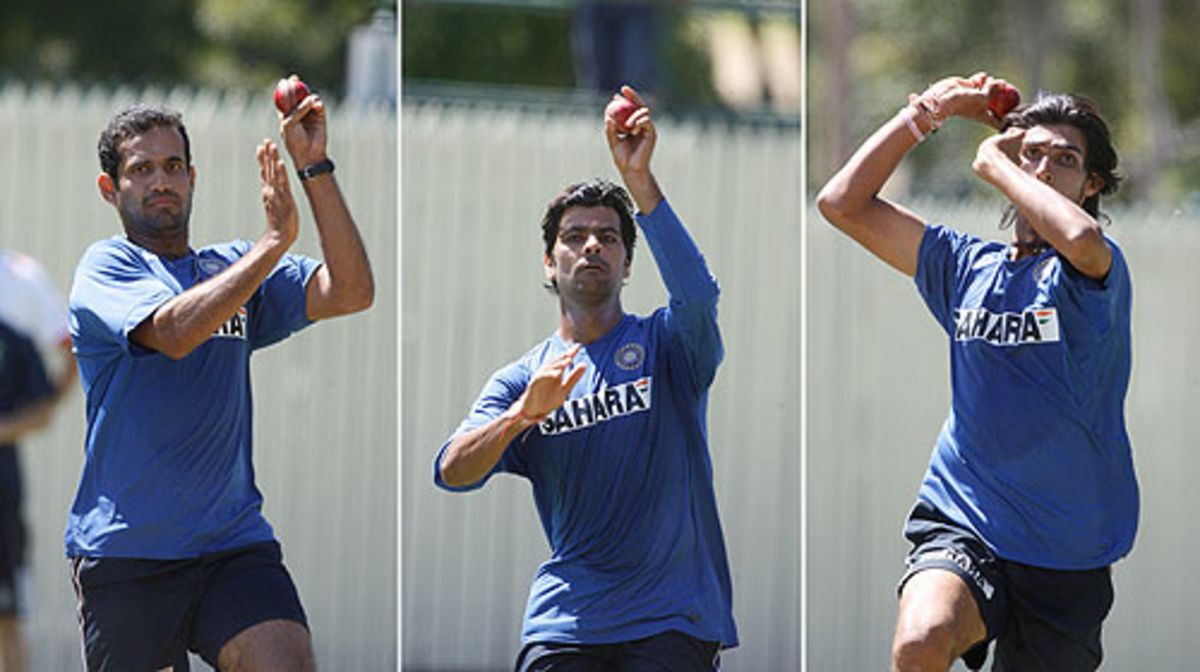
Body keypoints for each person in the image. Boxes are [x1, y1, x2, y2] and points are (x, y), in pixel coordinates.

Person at [817, 72, 1135, 672]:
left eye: (1064, 160)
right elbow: (841, 204)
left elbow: (1081, 234)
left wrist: (996, 161)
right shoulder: (966, 267)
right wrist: (931, 111)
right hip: (967, 516)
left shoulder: (1095, 272)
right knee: (921, 640)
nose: (1041, 169)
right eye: (1031, 153)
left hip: (1067, 548)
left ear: (1091, 183)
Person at [66, 84, 373, 671]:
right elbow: (177, 332)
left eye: (174, 165)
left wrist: (313, 167)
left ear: (193, 177)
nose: (162, 180)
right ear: (111, 188)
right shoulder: (107, 267)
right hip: (131, 553)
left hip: (231, 545)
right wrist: (273, 245)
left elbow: (352, 290)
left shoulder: (229, 267)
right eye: (142, 169)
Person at [434, 85, 737, 671]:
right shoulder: (523, 378)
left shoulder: (668, 346)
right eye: (574, 237)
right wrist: (524, 414)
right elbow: (453, 471)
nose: (592, 244)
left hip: (671, 618)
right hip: (566, 622)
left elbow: (698, 294)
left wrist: (639, 180)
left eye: (609, 237)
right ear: (550, 262)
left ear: (627, 262)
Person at [0, 251, 75, 672]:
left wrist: (19, 422)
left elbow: (71, 349)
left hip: (2, 494)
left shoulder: (20, 282)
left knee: (7, 616)